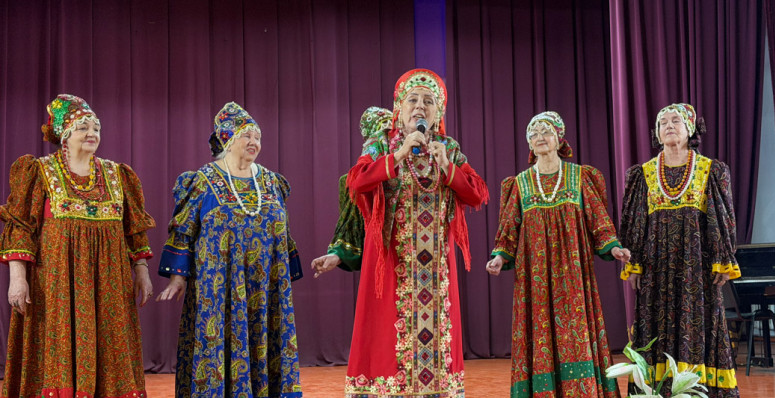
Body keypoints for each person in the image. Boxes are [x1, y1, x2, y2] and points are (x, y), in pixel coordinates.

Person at [312, 69, 489, 397]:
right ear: (399, 107)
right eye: (413, 100)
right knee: (387, 343)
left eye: (428, 101)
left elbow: (477, 194)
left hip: (436, 271)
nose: (420, 106)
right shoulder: (381, 144)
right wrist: (397, 155)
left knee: (438, 342)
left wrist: (448, 167)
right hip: (393, 264)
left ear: (439, 112)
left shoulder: (448, 147)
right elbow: (356, 182)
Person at [0, 94, 155, 398]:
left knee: (112, 344)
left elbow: (133, 231)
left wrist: (142, 271)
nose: (92, 133)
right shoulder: (39, 171)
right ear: (64, 134)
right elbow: (20, 228)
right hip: (56, 286)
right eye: (83, 127)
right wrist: (17, 278)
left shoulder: (117, 175)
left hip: (109, 285)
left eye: (96, 127)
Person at [156, 102, 303, 398]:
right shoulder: (203, 181)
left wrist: (284, 275)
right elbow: (183, 230)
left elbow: (283, 233)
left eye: (257, 137)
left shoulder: (272, 182)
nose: (254, 142)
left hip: (265, 287)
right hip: (218, 288)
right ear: (227, 139)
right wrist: (178, 277)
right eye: (246, 135)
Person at [485, 111, 629, 398]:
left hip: (573, 272)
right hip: (534, 275)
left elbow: (598, 219)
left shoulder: (579, 176)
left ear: (559, 139)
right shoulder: (520, 183)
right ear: (529, 143)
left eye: (546, 131)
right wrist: (499, 257)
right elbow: (509, 228)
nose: (540, 137)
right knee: (539, 332)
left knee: (574, 328)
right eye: (534, 133)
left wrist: (614, 247)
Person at [619, 103, 740, 397]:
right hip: (655, 266)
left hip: (696, 267)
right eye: (663, 123)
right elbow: (635, 223)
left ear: (691, 129)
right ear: (657, 132)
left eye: (676, 121)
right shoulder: (643, 174)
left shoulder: (711, 170)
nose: (669, 126)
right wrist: (634, 265)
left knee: (696, 325)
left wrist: (723, 259)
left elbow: (722, 218)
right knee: (654, 324)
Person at [313, 106, 392, 275]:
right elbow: (351, 228)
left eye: (391, 128)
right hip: (384, 261)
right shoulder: (356, 182)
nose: (386, 136)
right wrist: (337, 255)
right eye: (380, 129)